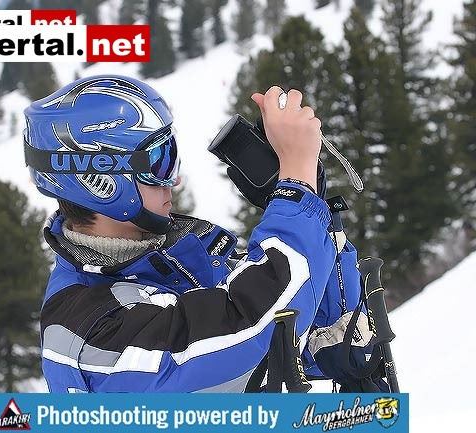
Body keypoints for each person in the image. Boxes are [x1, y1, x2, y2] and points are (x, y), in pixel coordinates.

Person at [23, 75, 370, 393]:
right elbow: (253, 333)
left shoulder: (172, 263)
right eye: (159, 160)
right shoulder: (92, 331)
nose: (173, 179)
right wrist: (297, 185)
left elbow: (320, 340)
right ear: (101, 181)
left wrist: (308, 205)